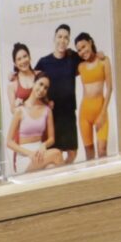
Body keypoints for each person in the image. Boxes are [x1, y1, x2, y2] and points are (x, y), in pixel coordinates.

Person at [38, 24, 81, 163]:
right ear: (54, 38)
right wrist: (12, 75)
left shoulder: (73, 58)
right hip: (51, 115)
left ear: (69, 41)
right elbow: (32, 81)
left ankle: (65, 175)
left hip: (68, 113)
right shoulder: (44, 62)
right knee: (54, 154)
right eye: (60, 36)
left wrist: (100, 54)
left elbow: (89, 57)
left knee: (72, 153)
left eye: (66, 38)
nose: (62, 40)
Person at [76, 33, 112, 162]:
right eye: (79, 50)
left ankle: (107, 182)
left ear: (90, 42)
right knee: (89, 155)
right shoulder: (80, 66)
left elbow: (110, 88)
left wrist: (102, 114)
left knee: (102, 151)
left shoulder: (103, 60)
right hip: (84, 114)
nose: (82, 51)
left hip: (100, 111)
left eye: (84, 46)